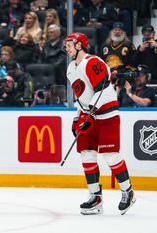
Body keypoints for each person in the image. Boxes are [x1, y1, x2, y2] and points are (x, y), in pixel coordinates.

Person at [63, 32, 136, 215]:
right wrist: (77, 117)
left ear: (80, 45)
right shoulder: (71, 68)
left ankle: (128, 191)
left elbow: (102, 89)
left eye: (69, 43)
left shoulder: (93, 62)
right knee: (87, 154)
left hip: (106, 112)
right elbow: (82, 97)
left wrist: (90, 114)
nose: (66, 47)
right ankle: (95, 197)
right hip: (89, 113)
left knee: (110, 155)